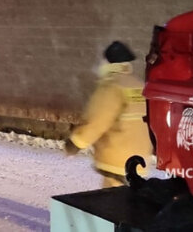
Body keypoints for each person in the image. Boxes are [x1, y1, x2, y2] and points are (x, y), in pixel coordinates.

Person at [64, 40, 154, 188]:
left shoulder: (111, 86)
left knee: (112, 203)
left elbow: (96, 122)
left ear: (107, 63)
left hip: (117, 159)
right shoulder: (139, 85)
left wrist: (75, 143)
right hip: (140, 158)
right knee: (129, 199)